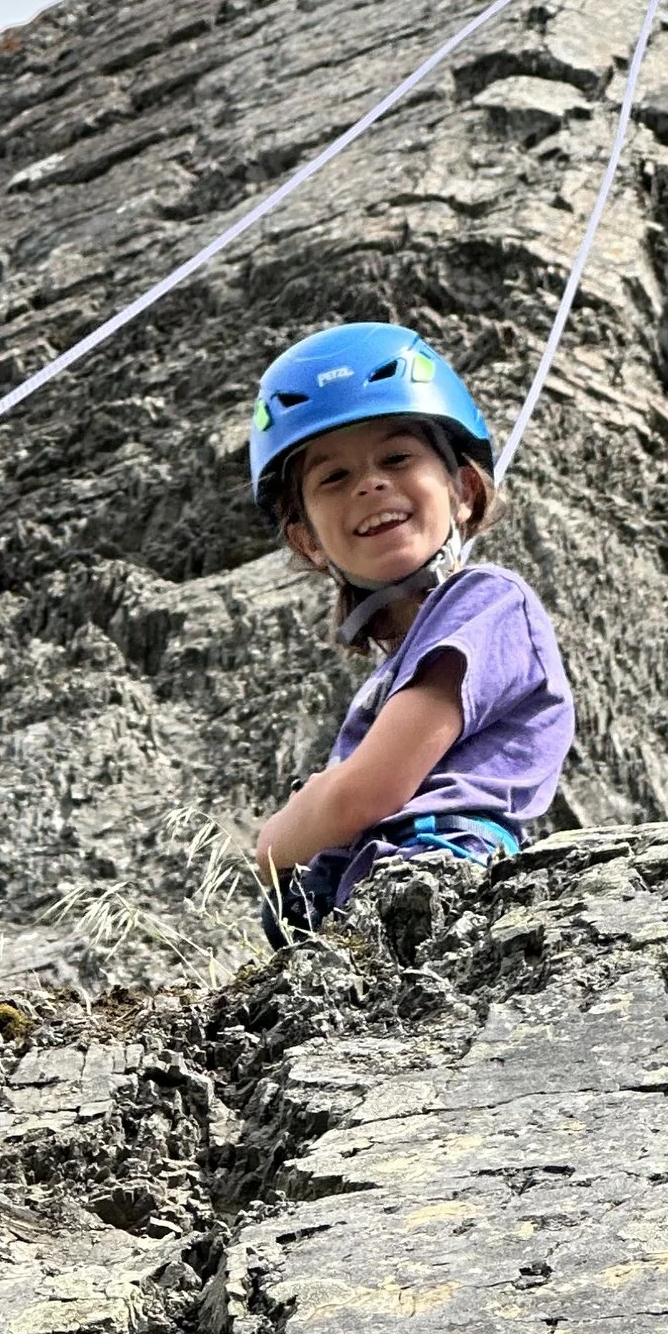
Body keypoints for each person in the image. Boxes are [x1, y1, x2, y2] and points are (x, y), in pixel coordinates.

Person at [246, 322, 575, 936]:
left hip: (437, 873)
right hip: (387, 886)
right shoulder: (399, 668)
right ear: (307, 539)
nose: (370, 483)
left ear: (466, 491)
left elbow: (366, 794)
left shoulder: (487, 603)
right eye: (333, 478)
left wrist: (277, 837)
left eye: (397, 458)